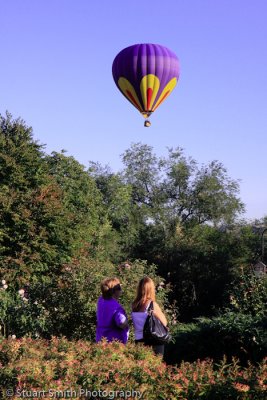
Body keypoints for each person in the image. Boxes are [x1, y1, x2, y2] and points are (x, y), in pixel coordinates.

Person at [131, 276, 167, 356]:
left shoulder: (134, 305)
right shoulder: (152, 304)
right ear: (151, 289)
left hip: (139, 340)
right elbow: (164, 322)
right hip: (153, 340)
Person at [96, 277, 129, 344]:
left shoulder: (101, 300)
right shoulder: (116, 307)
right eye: (119, 287)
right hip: (114, 343)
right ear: (115, 291)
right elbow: (122, 323)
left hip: (100, 339)